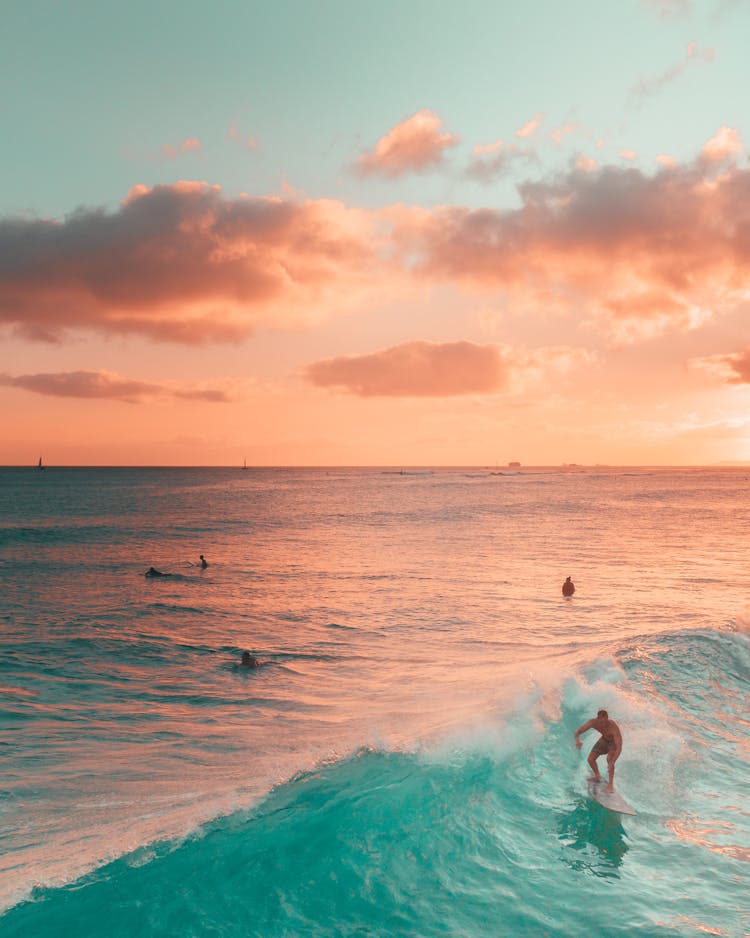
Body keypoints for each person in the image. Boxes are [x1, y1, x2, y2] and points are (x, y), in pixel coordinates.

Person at [574, 709, 622, 792]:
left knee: (609, 760)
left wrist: (613, 761)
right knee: (590, 759)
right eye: (601, 722)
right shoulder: (593, 723)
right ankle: (597, 776)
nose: (603, 724)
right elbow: (578, 731)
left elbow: (619, 747)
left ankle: (610, 786)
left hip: (613, 742)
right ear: (598, 719)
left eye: (605, 721)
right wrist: (578, 741)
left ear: (607, 718)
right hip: (604, 739)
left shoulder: (613, 727)